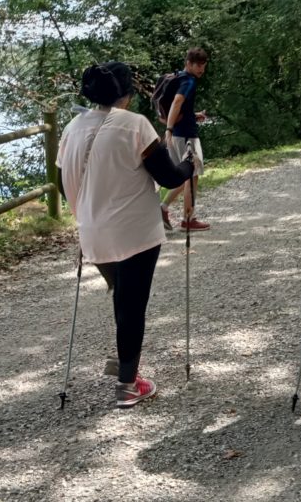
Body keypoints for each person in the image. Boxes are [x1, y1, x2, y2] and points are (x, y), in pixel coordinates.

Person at [57, 61, 195, 408]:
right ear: (127, 97)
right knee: (132, 305)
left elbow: (63, 182)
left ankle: (125, 359)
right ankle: (128, 385)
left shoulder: (72, 127)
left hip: (92, 232)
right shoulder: (134, 125)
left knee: (123, 298)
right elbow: (169, 176)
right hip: (134, 232)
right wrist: (190, 164)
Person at [161, 48, 210, 232]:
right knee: (192, 175)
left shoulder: (179, 77)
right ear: (188, 63)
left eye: (203, 66)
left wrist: (192, 115)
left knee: (185, 175)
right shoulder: (189, 81)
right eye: (198, 65)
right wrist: (169, 129)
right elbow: (177, 101)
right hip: (185, 134)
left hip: (179, 133)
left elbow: (180, 106)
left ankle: (164, 208)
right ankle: (188, 219)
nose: (201, 69)